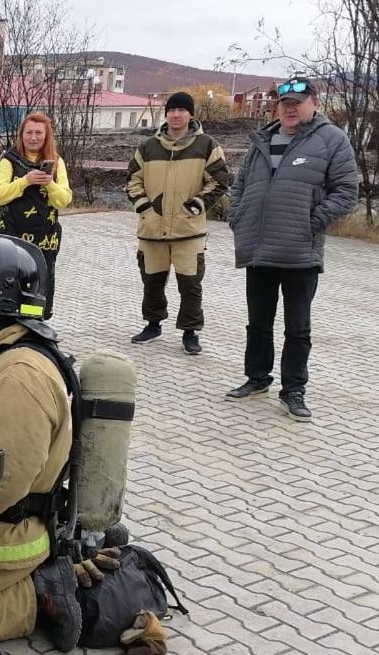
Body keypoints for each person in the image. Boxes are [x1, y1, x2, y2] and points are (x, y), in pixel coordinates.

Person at [0, 233, 118, 652]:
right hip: (4, 524)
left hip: (11, 536)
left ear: (4, 303)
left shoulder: (20, 375)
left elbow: (3, 485)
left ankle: (32, 597)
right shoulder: (5, 355)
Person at [225, 76, 358, 420]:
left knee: (297, 327)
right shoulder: (263, 140)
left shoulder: (332, 140)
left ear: (314, 103)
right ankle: (256, 377)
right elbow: (239, 185)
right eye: (284, 103)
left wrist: (309, 223)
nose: (290, 108)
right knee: (258, 323)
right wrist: (237, 216)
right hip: (259, 249)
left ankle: (294, 390)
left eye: (298, 102)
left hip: (300, 254)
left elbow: (346, 192)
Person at [125, 91, 231, 354]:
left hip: (188, 231)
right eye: (172, 110)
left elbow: (219, 181)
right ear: (166, 114)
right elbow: (132, 180)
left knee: (190, 286)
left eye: (181, 110)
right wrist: (145, 207)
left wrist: (195, 205)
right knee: (151, 282)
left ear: (190, 115)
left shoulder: (206, 145)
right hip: (152, 229)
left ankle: (190, 331)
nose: (176, 115)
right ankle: (153, 324)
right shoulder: (148, 147)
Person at [0, 112, 73, 318]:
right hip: (9, 237)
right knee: (7, 284)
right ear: (21, 134)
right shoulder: (10, 160)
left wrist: (49, 183)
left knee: (38, 288)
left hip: (43, 241)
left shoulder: (56, 162)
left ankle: (34, 327)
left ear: (47, 136)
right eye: (29, 132)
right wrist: (25, 181)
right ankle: (3, 324)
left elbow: (64, 200)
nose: (33, 137)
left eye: (38, 133)